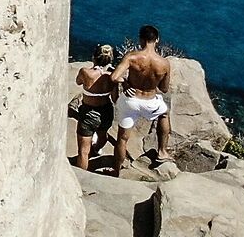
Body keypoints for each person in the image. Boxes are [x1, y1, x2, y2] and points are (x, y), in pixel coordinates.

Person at [113, 26, 176, 172]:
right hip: (150, 101)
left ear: (141, 39)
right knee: (164, 113)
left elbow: (114, 77)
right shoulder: (164, 63)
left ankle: (116, 170)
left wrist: (126, 83)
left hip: (131, 100)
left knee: (122, 139)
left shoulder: (132, 57)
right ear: (157, 40)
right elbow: (164, 89)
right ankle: (162, 151)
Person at [70, 43, 118, 172]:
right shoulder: (112, 76)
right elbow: (114, 98)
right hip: (106, 111)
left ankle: (83, 176)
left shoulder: (85, 72)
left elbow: (78, 81)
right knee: (103, 135)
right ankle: (96, 149)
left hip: (88, 112)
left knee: (83, 151)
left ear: (94, 57)